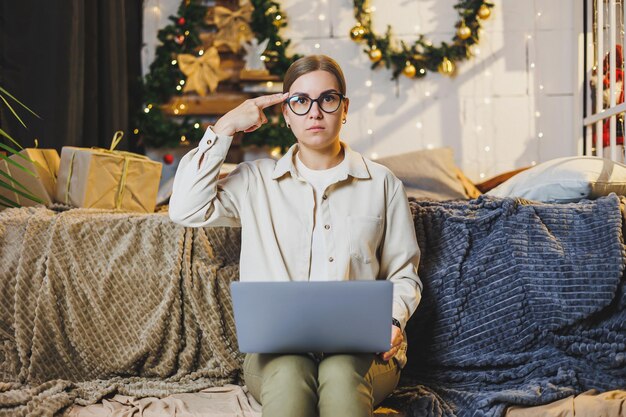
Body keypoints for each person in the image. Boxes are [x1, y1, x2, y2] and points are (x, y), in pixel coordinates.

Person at [169, 55, 422, 417]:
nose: (314, 113)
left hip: (366, 349)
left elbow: (403, 273)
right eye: (300, 102)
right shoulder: (255, 180)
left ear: (344, 108)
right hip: (277, 352)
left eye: (327, 99)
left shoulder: (383, 183)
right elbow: (185, 209)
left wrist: (394, 321)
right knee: (288, 377)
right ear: (286, 113)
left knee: (339, 375)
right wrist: (225, 127)